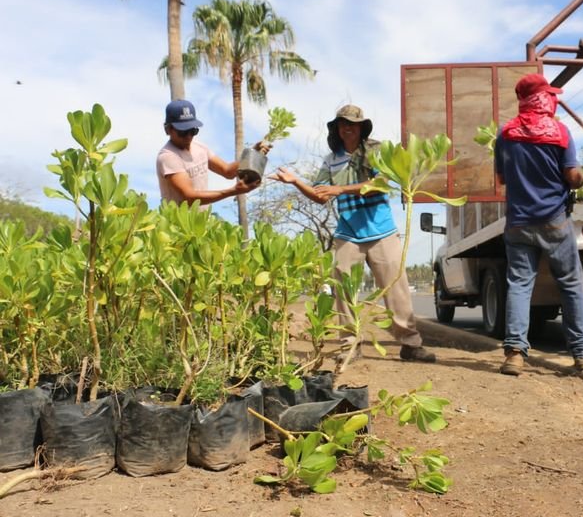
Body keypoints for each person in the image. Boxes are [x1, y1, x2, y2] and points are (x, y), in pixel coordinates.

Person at [270, 104, 435, 365]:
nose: (348, 127)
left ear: (361, 127)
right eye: (343, 123)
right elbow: (319, 196)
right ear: (336, 128)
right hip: (348, 233)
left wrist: (340, 189)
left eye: (353, 123)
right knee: (344, 292)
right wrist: (295, 181)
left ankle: (410, 344)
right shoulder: (331, 159)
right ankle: (349, 346)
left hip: (382, 231)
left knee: (397, 289)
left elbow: (380, 184)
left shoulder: (376, 150)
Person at [494, 73, 583, 376]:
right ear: (542, 98)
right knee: (571, 284)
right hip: (554, 221)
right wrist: (581, 176)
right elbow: (572, 176)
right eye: (550, 95)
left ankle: (514, 353)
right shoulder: (560, 132)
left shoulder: (505, 134)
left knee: (520, 285)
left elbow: (501, 178)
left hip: (518, 222)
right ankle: (582, 353)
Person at [156, 99, 266, 207]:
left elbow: (227, 171)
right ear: (168, 129)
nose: (189, 136)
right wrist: (233, 191)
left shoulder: (200, 148)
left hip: (202, 222)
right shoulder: (168, 157)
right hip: (178, 224)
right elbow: (189, 197)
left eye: (193, 131)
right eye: (183, 132)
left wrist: (252, 154)